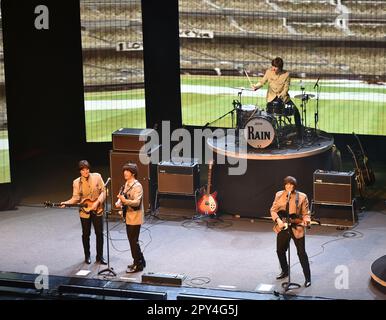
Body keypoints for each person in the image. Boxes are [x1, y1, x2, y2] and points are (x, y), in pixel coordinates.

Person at [61, 160, 107, 265]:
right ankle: (87, 255)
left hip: (97, 209)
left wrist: (98, 202)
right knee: (86, 234)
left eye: (87, 169)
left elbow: (104, 191)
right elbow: (75, 198)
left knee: (99, 233)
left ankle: (100, 256)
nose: (85, 171)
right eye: (83, 170)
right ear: (80, 171)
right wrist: (66, 203)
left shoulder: (97, 177)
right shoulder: (77, 182)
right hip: (84, 212)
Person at [270, 176, 311, 287]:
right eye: (287, 184)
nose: (289, 186)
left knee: (301, 253)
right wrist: (278, 220)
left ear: (294, 186)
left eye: (291, 184)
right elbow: (273, 210)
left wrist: (306, 221)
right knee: (280, 250)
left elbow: (306, 214)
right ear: (284, 185)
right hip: (283, 226)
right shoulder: (279, 195)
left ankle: (308, 277)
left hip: (296, 227)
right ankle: (285, 270)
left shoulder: (302, 197)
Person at [252, 57, 302, 133]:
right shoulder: (269, 72)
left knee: (296, 111)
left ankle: (299, 131)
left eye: (275, 67)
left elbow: (286, 88)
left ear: (280, 68)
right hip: (271, 98)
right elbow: (262, 82)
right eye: (273, 66)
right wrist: (256, 86)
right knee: (269, 116)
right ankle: (269, 132)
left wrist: (281, 97)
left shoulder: (286, 74)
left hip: (283, 99)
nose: (273, 68)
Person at [115, 162, 146, 273]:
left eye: (127, 171)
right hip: (128, 215)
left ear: (133, 173)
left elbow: (136, 202)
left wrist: (124, 201)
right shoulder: (127, 183)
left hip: (135, 217)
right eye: (124, 171)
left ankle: (138, 265)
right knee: (132, 241)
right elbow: (123, 194)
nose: (125, 173)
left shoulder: (137, 186)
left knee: (133, 241)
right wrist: (119, 201)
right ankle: (139, 260)